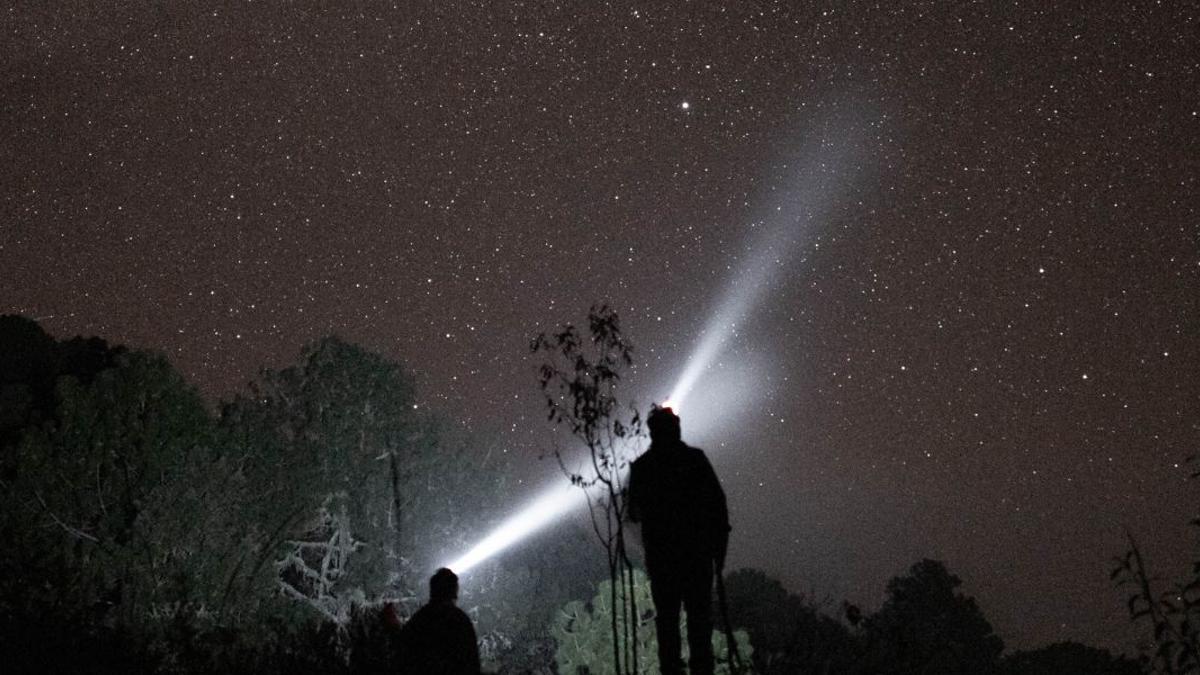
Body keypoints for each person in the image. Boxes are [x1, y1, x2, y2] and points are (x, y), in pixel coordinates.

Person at [628, 405, 731, 675]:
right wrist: (719, 551)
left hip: (663, 561)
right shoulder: (695, 460)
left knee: (668, 626)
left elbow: (633, 513)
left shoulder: (643, 467)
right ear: (675, 428)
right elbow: (718, 506)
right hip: (697, 558)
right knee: (699, 625)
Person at [397, 568, 481, 675]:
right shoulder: (461, 620)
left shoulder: (421, 618)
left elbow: (404, 649)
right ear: (454, 592)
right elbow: (472, 662)